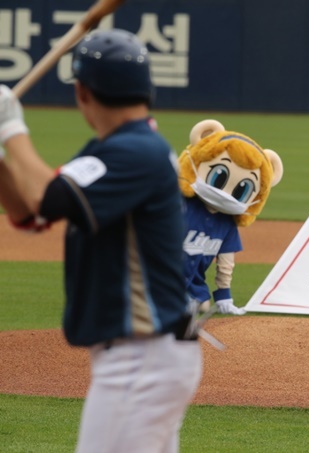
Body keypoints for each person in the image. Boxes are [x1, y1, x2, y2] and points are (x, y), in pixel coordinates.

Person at [0, 29, 202, 452]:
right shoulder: (119, 148)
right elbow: (32, 214)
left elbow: (47, 198)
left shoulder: (135, 152)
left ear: (83, 92)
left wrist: (11, 127)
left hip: (141, 359)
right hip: (148, 356)